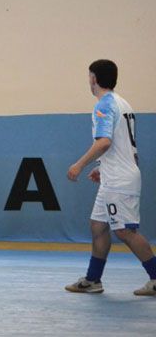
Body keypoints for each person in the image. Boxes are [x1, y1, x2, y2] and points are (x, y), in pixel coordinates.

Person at [65, 60, 156, 296]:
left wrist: (79, 164)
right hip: (113, 177)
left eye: (89, 76)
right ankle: (93, 280)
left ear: (94, 78)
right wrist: (102, 168)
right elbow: (122, 145)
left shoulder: (103, 105)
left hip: (119, 181)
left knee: (125, 231)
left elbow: (104, 141)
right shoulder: (122, 103)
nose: (89, 80)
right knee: (98, 225)